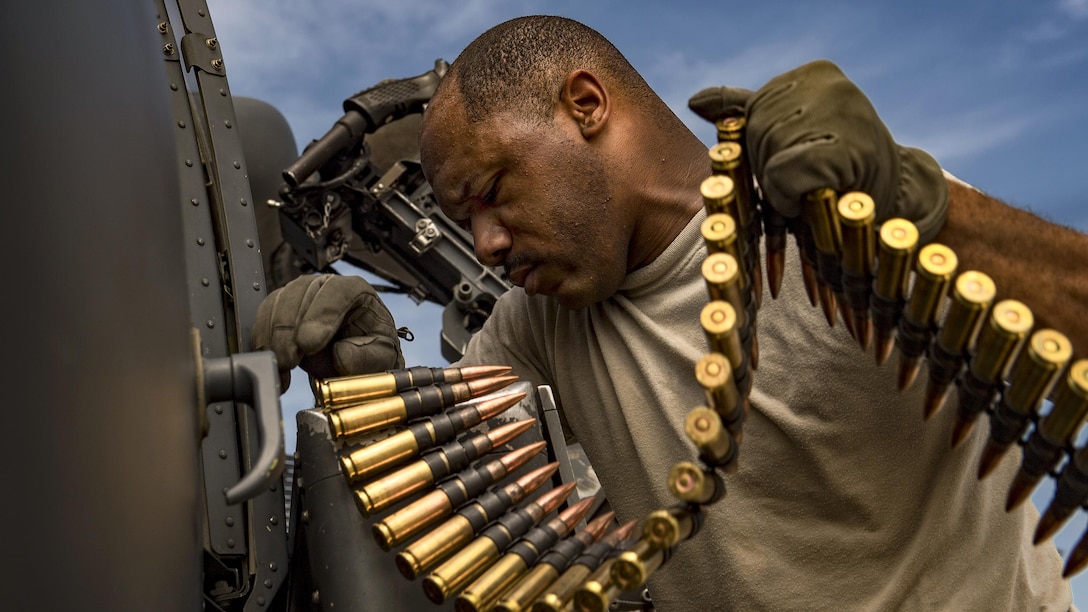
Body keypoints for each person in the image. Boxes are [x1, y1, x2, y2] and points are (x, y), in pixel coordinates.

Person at [253, 15, 1088, 610]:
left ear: (586, 106)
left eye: (493, 194)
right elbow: (456, 497)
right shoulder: (536, 322)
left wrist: (929, 214)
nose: (490, 243)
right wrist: (370, 385)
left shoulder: (836, 220)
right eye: (466, 220)